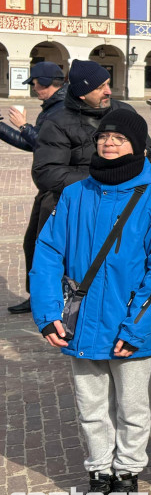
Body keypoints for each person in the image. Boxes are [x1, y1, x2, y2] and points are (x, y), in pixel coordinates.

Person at [30, 109, 151, 495]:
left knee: (132, 408)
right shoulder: (76, 194)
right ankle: (99, 476)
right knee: (91, 406)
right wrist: (46, 313)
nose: (108, 142)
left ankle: (127, 477)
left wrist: (137, 327)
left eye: (118, 138)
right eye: (103, 137)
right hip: (79, 327)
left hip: (129, 327)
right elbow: (48, 253)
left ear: (136, 144)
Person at [32, 60, 151, 227]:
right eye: (99, 88)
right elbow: (47, 173)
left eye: (107, 84)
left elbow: (150, 150)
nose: (108, 92)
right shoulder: (57, 122)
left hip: (127, 195)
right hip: (79, 201)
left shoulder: (125, 112)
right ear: (82, 94)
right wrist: (100, 180)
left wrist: (133, 164)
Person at [6, 62, 66, 315]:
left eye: (35, 85)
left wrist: (23, 125)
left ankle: (48, 298)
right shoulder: (51, 107)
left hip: (58, 188)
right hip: (47, 188)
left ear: (45, 83)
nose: (34, 90)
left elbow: (42, 144)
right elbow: (31, 144)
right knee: (33, 242)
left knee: (44, 245)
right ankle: (37, 296)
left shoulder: (62, 110)